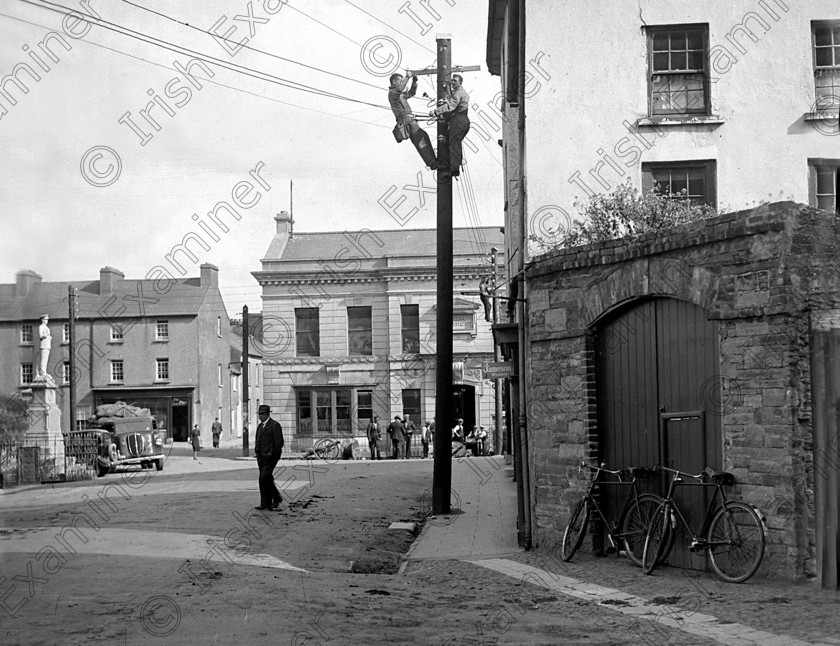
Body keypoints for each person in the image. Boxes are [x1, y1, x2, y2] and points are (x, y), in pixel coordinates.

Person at [389, 71, 437, 169]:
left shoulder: (399, 95)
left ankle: (433, 162)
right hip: (407, 122)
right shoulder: (393, 93)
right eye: (400, 80)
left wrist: (414, 82)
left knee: (422, 137)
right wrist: (407, 77)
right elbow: (400, 88)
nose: (402, 82)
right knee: (421, 139)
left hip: (409, 120)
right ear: (394, 82)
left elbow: (411, 93)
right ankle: (432, 162)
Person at [430, 73, 471, 177]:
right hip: (460, 120)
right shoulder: (458, 92)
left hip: (458, 120)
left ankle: (454, 170)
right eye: (452, 81)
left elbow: (451, 106)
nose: (452, 82)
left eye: (455, 81)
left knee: (454, 144)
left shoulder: (458, 93)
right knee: (453, 143)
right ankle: (453, 167)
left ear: (460, 82)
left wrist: (436, 111)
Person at [254, 404, 284, 510]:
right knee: (265, 479)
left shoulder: (274, 425)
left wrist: (271, 454)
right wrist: (257, 451)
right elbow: (258, 440)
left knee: (264, 477)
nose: (260, 416)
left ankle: (276, 498)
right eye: (259, 414)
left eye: (262, 414)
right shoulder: (260, 426)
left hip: (270, 457)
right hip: (261, 457)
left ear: (267, 414)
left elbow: (279, 443)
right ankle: (265, 503)